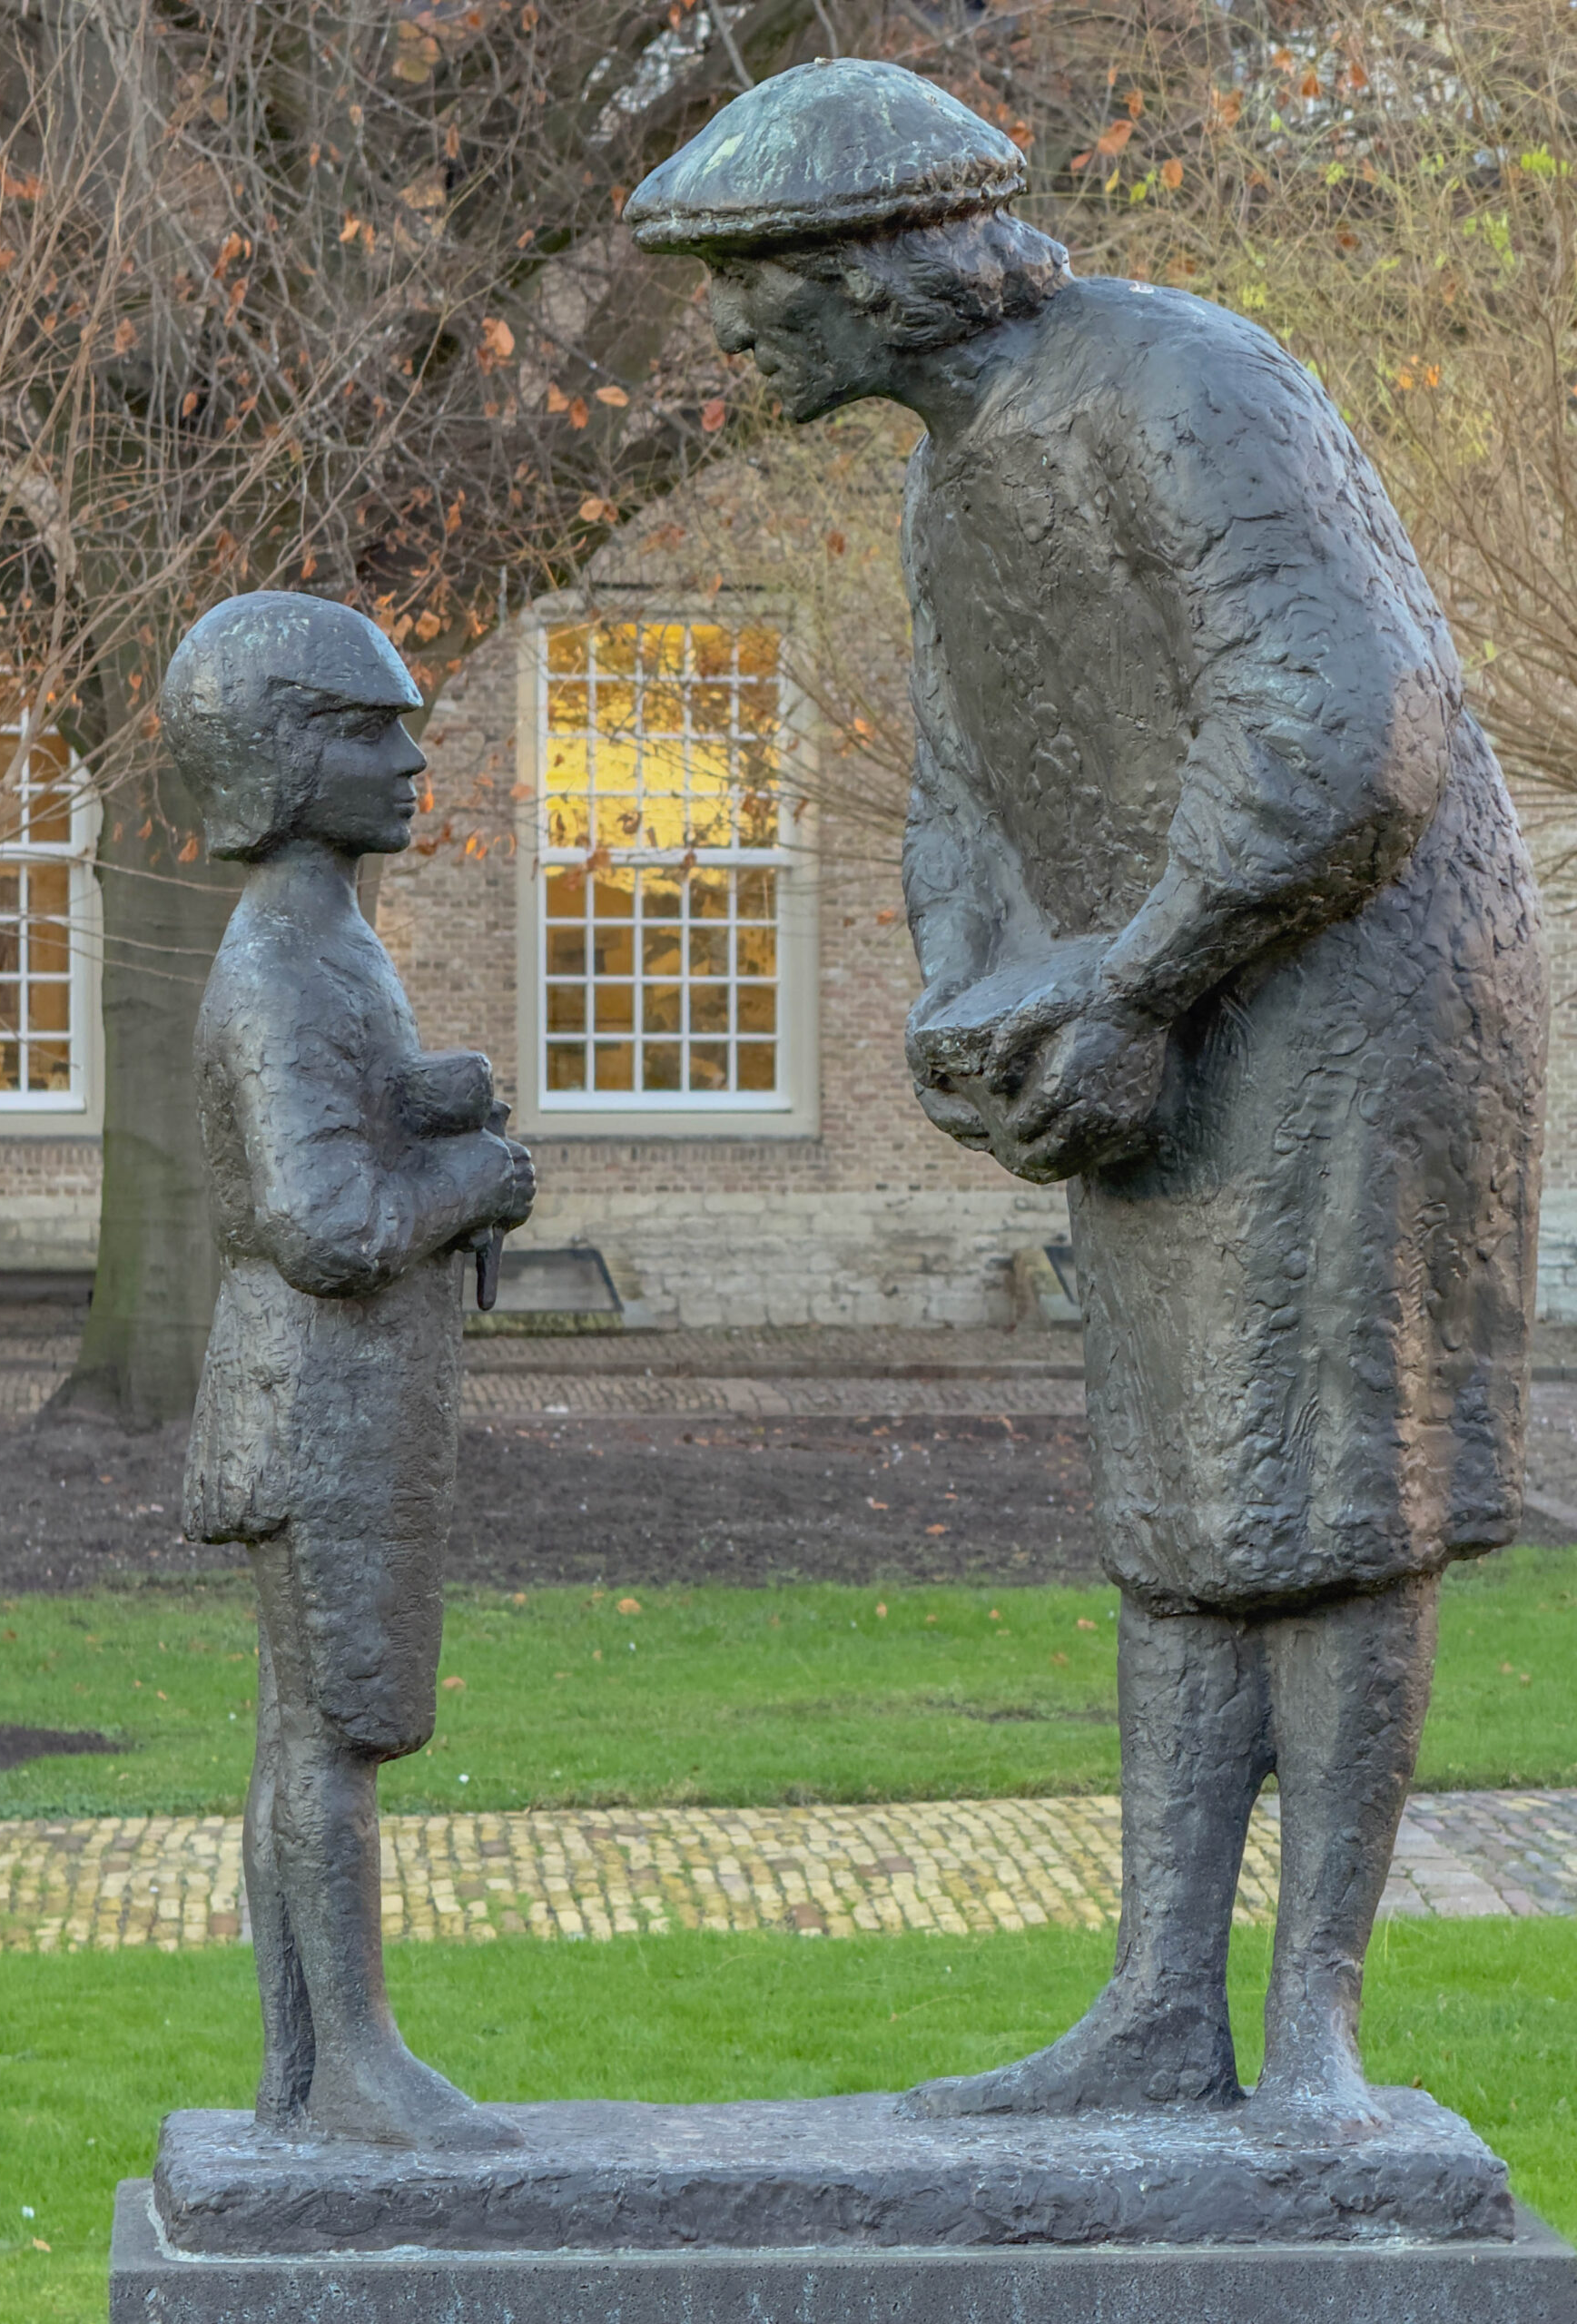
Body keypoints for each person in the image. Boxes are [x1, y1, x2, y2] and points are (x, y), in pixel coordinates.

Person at [628, 59, 1546, 2142]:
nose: (737, 331)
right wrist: (974, 1005)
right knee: (1179, 1508)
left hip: (1338, 993)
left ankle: (1308, 2021)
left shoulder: (1181, 385)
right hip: (1154, 1011)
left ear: (882, 267)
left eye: (755, 283)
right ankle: (1156, 2002)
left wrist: (1126, 978)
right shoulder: (953, 476)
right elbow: (964, 783)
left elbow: (1347, 729)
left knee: (1326, 1502)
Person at [162, 592, 535, 2149]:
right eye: (370, 730)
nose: (412, 759)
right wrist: (484, 1182)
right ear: (281, 755)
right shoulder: (286, 966)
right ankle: (355, 2060)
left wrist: (433, 1091)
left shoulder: (327, 943)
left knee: (302, 1726)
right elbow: (326, 1221)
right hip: (323, 1396)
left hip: (319, 1393)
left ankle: (308, 2069)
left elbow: (340, 1126)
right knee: (331, 1732)